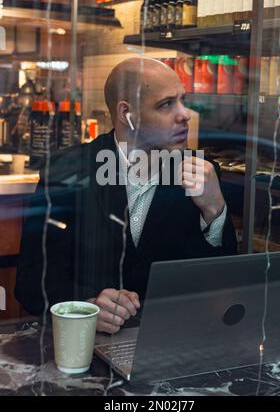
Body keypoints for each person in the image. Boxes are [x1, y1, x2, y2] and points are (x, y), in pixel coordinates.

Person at [15, 57, 237, 334]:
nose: (185, 114)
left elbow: (224, 284)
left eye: (183, 100)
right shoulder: (66, 171)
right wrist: (85, 307)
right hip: (87, 348)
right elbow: (31, 282)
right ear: (126, 114)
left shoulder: (202, 173)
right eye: (166, 104)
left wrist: (215, 209)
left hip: (172, 345)